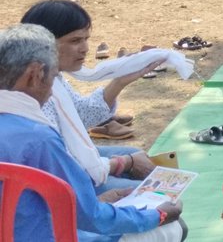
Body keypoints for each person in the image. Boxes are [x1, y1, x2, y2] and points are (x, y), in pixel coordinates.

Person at [0, 24, 185, 242]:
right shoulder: (39, 138)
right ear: (36, 74)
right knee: (171, 227)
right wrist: (158, 214)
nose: (51, 91)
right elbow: (93, 218)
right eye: (53, 76)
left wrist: (98, 203)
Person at [20, 0, 166, 193]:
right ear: (43, 43)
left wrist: (120, 81)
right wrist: (124, 163)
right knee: (156, 192)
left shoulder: (53, 77)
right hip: (55, 182)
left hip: (65, 164)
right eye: (75, 41)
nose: (85, 48)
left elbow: (82, 113)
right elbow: (60, 166)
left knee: (137, 158)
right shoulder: (31, 87)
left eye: (85, 39)